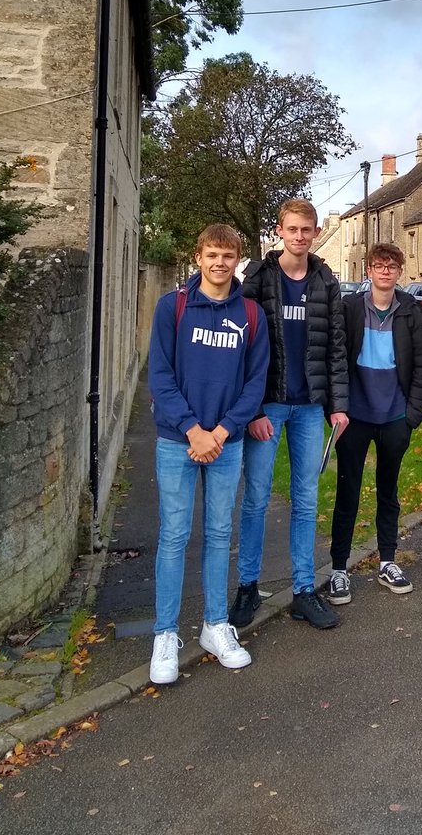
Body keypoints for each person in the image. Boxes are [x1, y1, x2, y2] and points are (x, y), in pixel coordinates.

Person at [147, 224, 269, 685]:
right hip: (177, 441)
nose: (220, 263)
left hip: (226, 442)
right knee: (174, 537)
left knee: (220, 533)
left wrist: (219, 431)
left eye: (228, 255)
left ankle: (216, 626)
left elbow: (254, 383)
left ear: (238, 260)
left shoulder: (251, 315)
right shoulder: (172, 308)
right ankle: (164, 635)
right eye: (212, 254)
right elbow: (160, 376)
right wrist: (194, 430)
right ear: (198, 257)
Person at [230, 199, 349, 631]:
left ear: (316, 232)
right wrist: (255, 408)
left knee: (305, 500)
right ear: (280, 230)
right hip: (269, 407)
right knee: (257, 498)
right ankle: (247, 586)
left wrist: (338, 406)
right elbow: (240, 346)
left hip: (310, 407)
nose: (300, 236)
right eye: (292, 229)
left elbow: (336, 347)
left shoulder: (325, 281)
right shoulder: (259, 279)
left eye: (307, 230)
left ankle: (303, 590)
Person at [328, 243, 422, 605]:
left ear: (399, 271)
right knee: (348, 491)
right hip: (355, 416)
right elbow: (337, 360)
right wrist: (337, 406)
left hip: (394, 418)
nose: (385, 272)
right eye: (379, 266)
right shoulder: (350, 309)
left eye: (392, 266)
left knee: (388, 493)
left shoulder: (411, 312)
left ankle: (387, 560)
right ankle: (339, 568)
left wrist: (412, 417)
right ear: (369, 271)